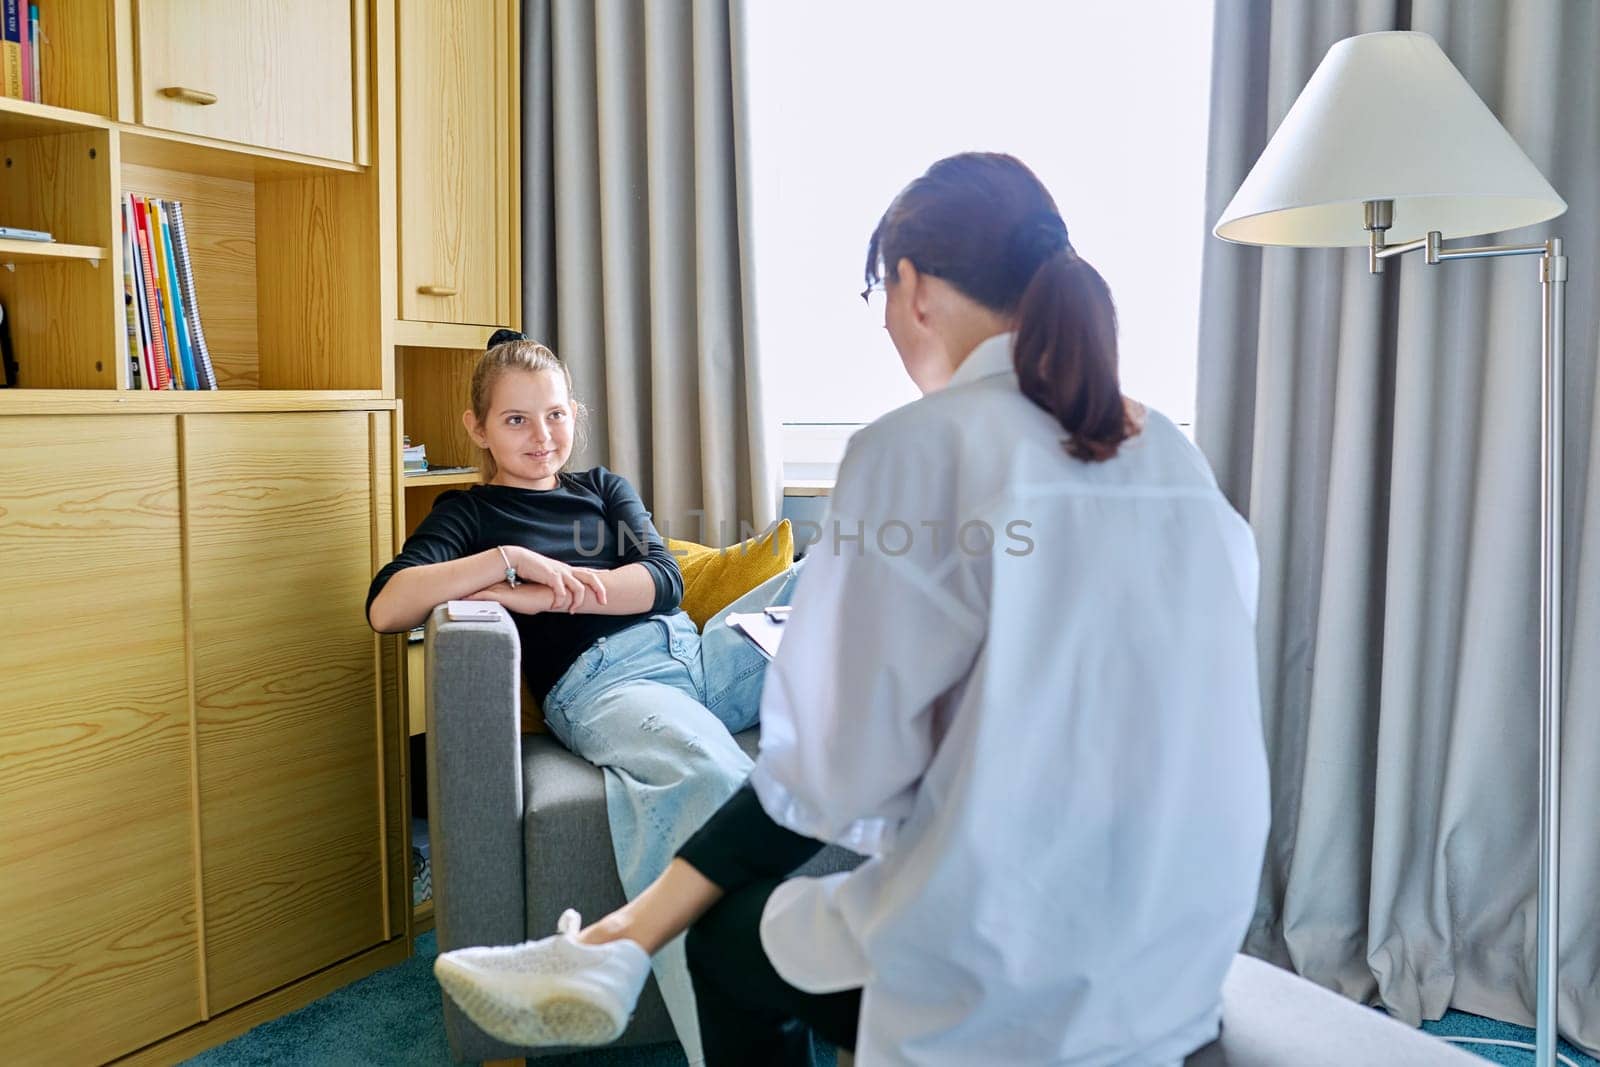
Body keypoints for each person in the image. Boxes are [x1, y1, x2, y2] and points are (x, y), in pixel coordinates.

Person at [433, 152, 1270, 1066]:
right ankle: (616, 945)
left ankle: (615, 944)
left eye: (878, 290)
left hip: (1022, 970)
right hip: (1184, 959)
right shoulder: (1169, 453)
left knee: (730, 937)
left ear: (911, 288)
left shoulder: (916, 448)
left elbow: (833, 774)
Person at [365, 333, 797, 1064]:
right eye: (517, 420)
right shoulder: (468, 515)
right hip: (607, 684)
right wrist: (507, 560)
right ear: (477, 427)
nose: (543, 436)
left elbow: (664, 579)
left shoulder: (602, 488)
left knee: (842, 580)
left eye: (556, 415)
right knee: (721, 781)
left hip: (697, 653)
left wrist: (540, 596)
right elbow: (387, 605)